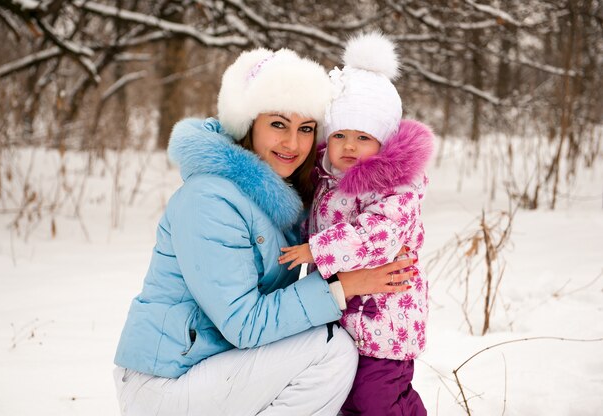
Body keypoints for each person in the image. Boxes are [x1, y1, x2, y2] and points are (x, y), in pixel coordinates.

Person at [113, 46, 417, 416]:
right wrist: (346, 286)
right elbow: (245, 323)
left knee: (329, 345)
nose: (293, 144)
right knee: (330, 347)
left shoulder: (283, 195)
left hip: (216, 368)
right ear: (248, 123)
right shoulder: (209, 200)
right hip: (165, 383)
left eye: (306, 129)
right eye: (278, 124)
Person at [278, 33, 433, 415]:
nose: (349, 146)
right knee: (344, 399)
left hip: (386, 324)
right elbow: (310, 217)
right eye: (340, 135)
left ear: (384, 141)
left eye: (363, 137)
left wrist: (318, 250)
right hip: (342, 316)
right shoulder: (323, 178)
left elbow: (379, 234)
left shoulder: (397, 186)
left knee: (377, 400)